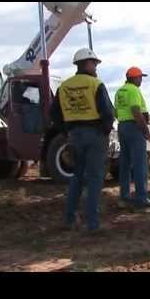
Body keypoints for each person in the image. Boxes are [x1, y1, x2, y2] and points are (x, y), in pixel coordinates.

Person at [50, 48, 114, 232]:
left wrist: (66, 130)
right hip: (94, 134)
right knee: (94, 179)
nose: (96, 67)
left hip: (74, 135)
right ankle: (92, 224)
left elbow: (54, 113)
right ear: (86, 63)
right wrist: (104, 131)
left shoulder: (64, 87)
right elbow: (108, 113)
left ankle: (69, 219)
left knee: (77, 177)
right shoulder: (95, 84)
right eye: (94, 63)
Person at [114, 67, 150, 208]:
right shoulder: (133, 90)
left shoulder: (120, 91)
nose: (141, 80)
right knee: (140, 164)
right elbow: (135, 110)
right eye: (140, 77)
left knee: (125, 163)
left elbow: (116, 111)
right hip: (134, 127)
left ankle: (124, 196)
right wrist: (144, 129)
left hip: (122, 127)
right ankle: (141, 197)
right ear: (134, 78)